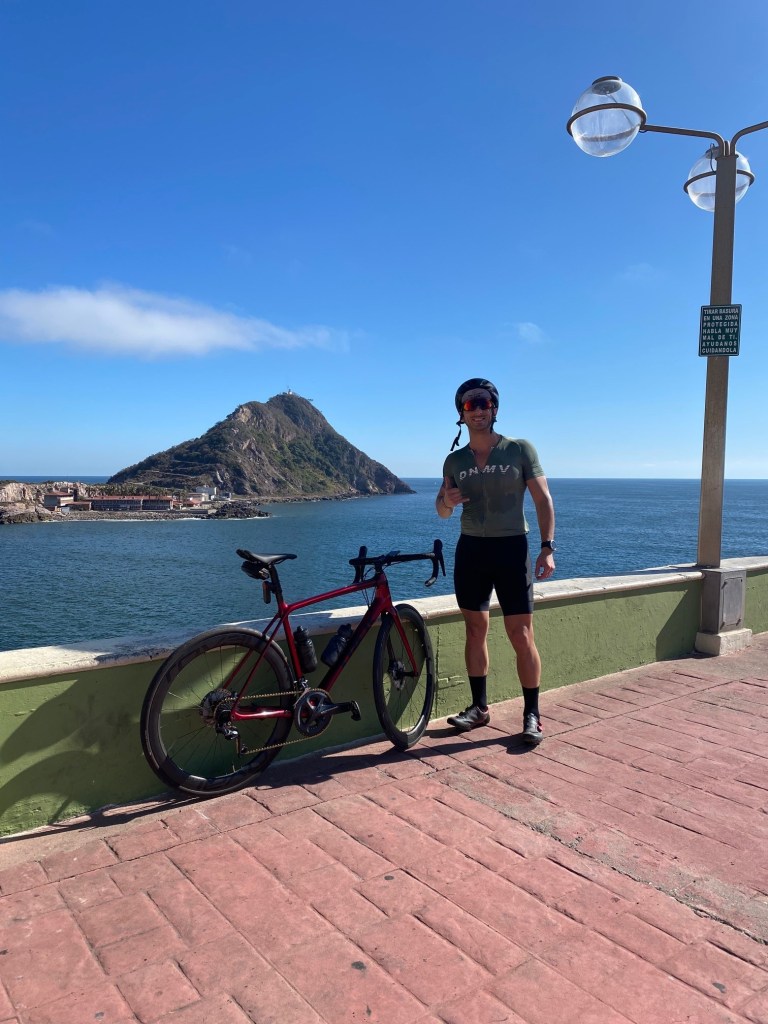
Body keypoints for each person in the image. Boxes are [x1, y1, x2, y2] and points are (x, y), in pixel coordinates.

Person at [435, 377, 555, 744]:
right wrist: (447, 502)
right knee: (475, 631)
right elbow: (442, 510)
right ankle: (479, 708)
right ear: (461, 413)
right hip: (471, 550)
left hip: (511, 549)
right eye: (470, 404)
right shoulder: (454, 460)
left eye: (484, 402)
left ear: (494, 408)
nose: (478, 410)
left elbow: (543, 499)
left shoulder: (519, 450)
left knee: (521, 634)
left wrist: (547, 547)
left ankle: (532, 713)